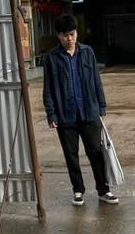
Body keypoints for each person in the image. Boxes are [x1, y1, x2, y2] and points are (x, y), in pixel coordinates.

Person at [42, 13, 119, 206]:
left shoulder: (87, 52)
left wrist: (102, 104)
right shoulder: (51, 58)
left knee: (96, 152)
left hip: (89, 111)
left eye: (72, 34)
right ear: (58, 35)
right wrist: (51, 113)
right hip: (65, 115)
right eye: (65, 35)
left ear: (77, 33)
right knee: (71, 155)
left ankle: (103, 190)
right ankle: (78, 190)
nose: (69, 39)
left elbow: (96, 80)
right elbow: (48, 88)